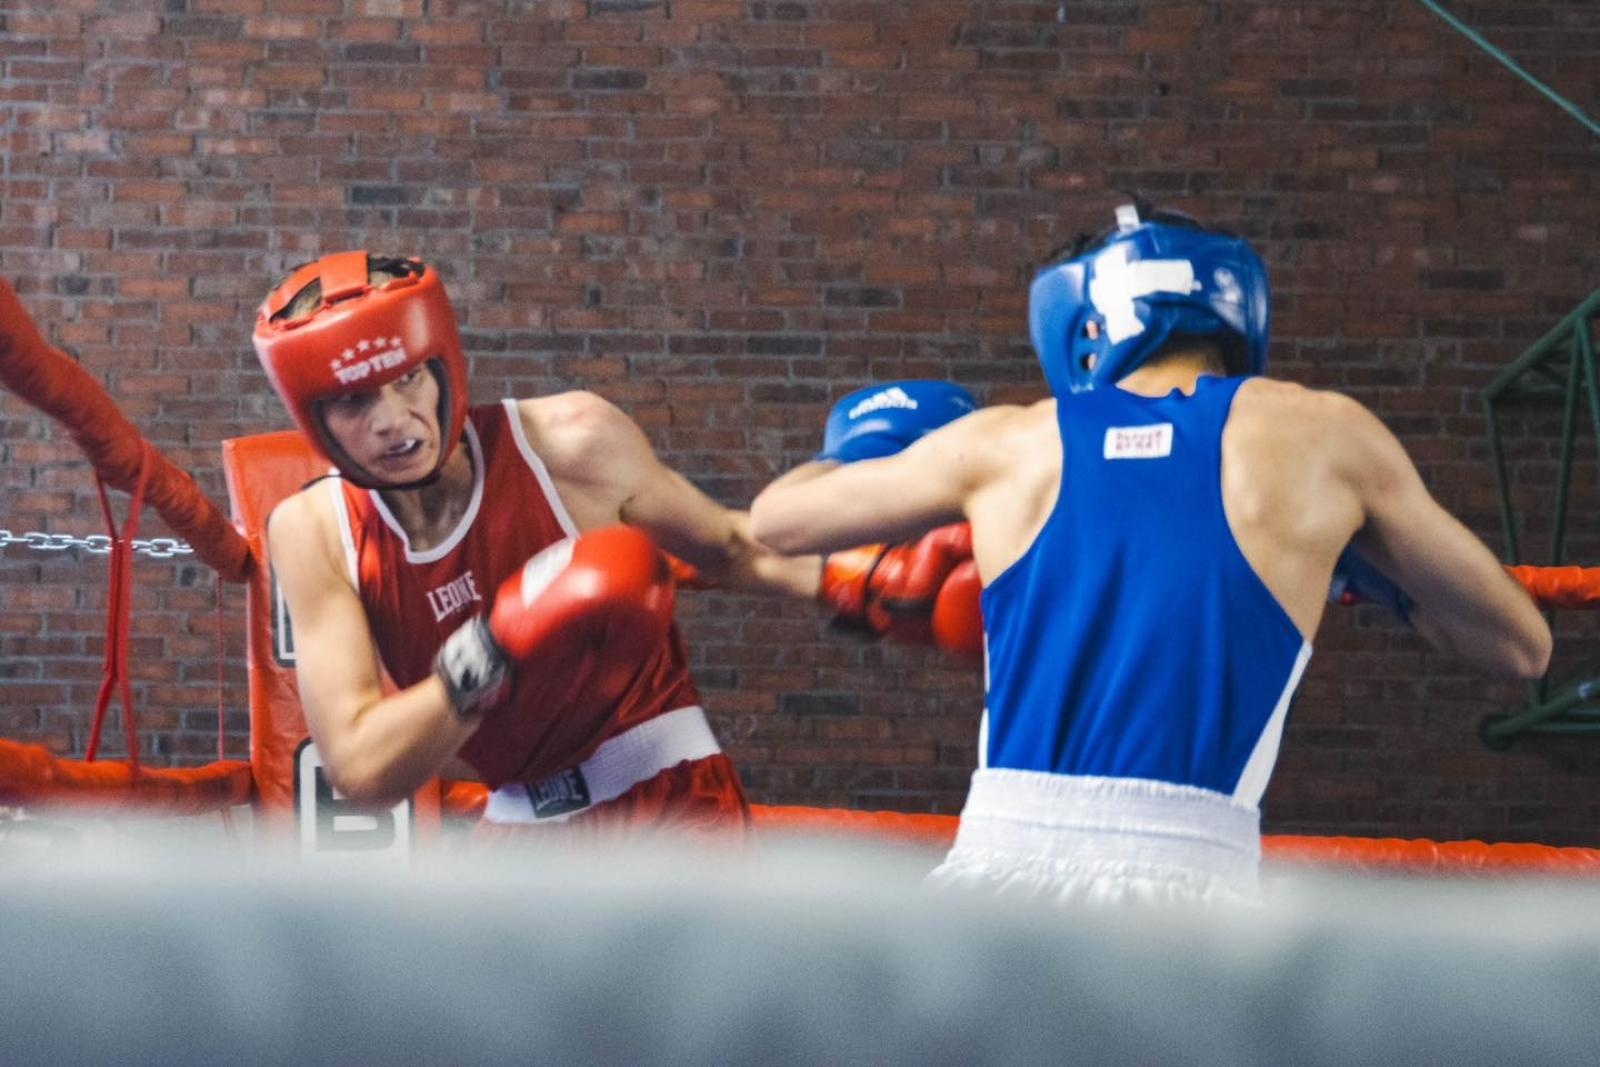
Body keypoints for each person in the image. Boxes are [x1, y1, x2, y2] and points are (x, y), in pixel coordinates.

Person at [750, 203, 1552, 905]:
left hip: (995, 880)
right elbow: (1523, 646)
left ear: (1079, 322)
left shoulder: (1006, 442)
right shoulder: (1325, 438)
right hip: (1193, 898)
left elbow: (776, 522)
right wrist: (1379, 578)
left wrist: (865, 441)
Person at [252, 252, 973, 843]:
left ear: (442, 364)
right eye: (354, 401)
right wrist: (492, 652)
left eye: (407, 377)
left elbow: (728, 546)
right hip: (519, 825)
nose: (392, 419)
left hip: (669, 797)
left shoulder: (569, 442)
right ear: (315, 419)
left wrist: (865, 582)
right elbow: (360, 768)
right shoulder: (314, 532)